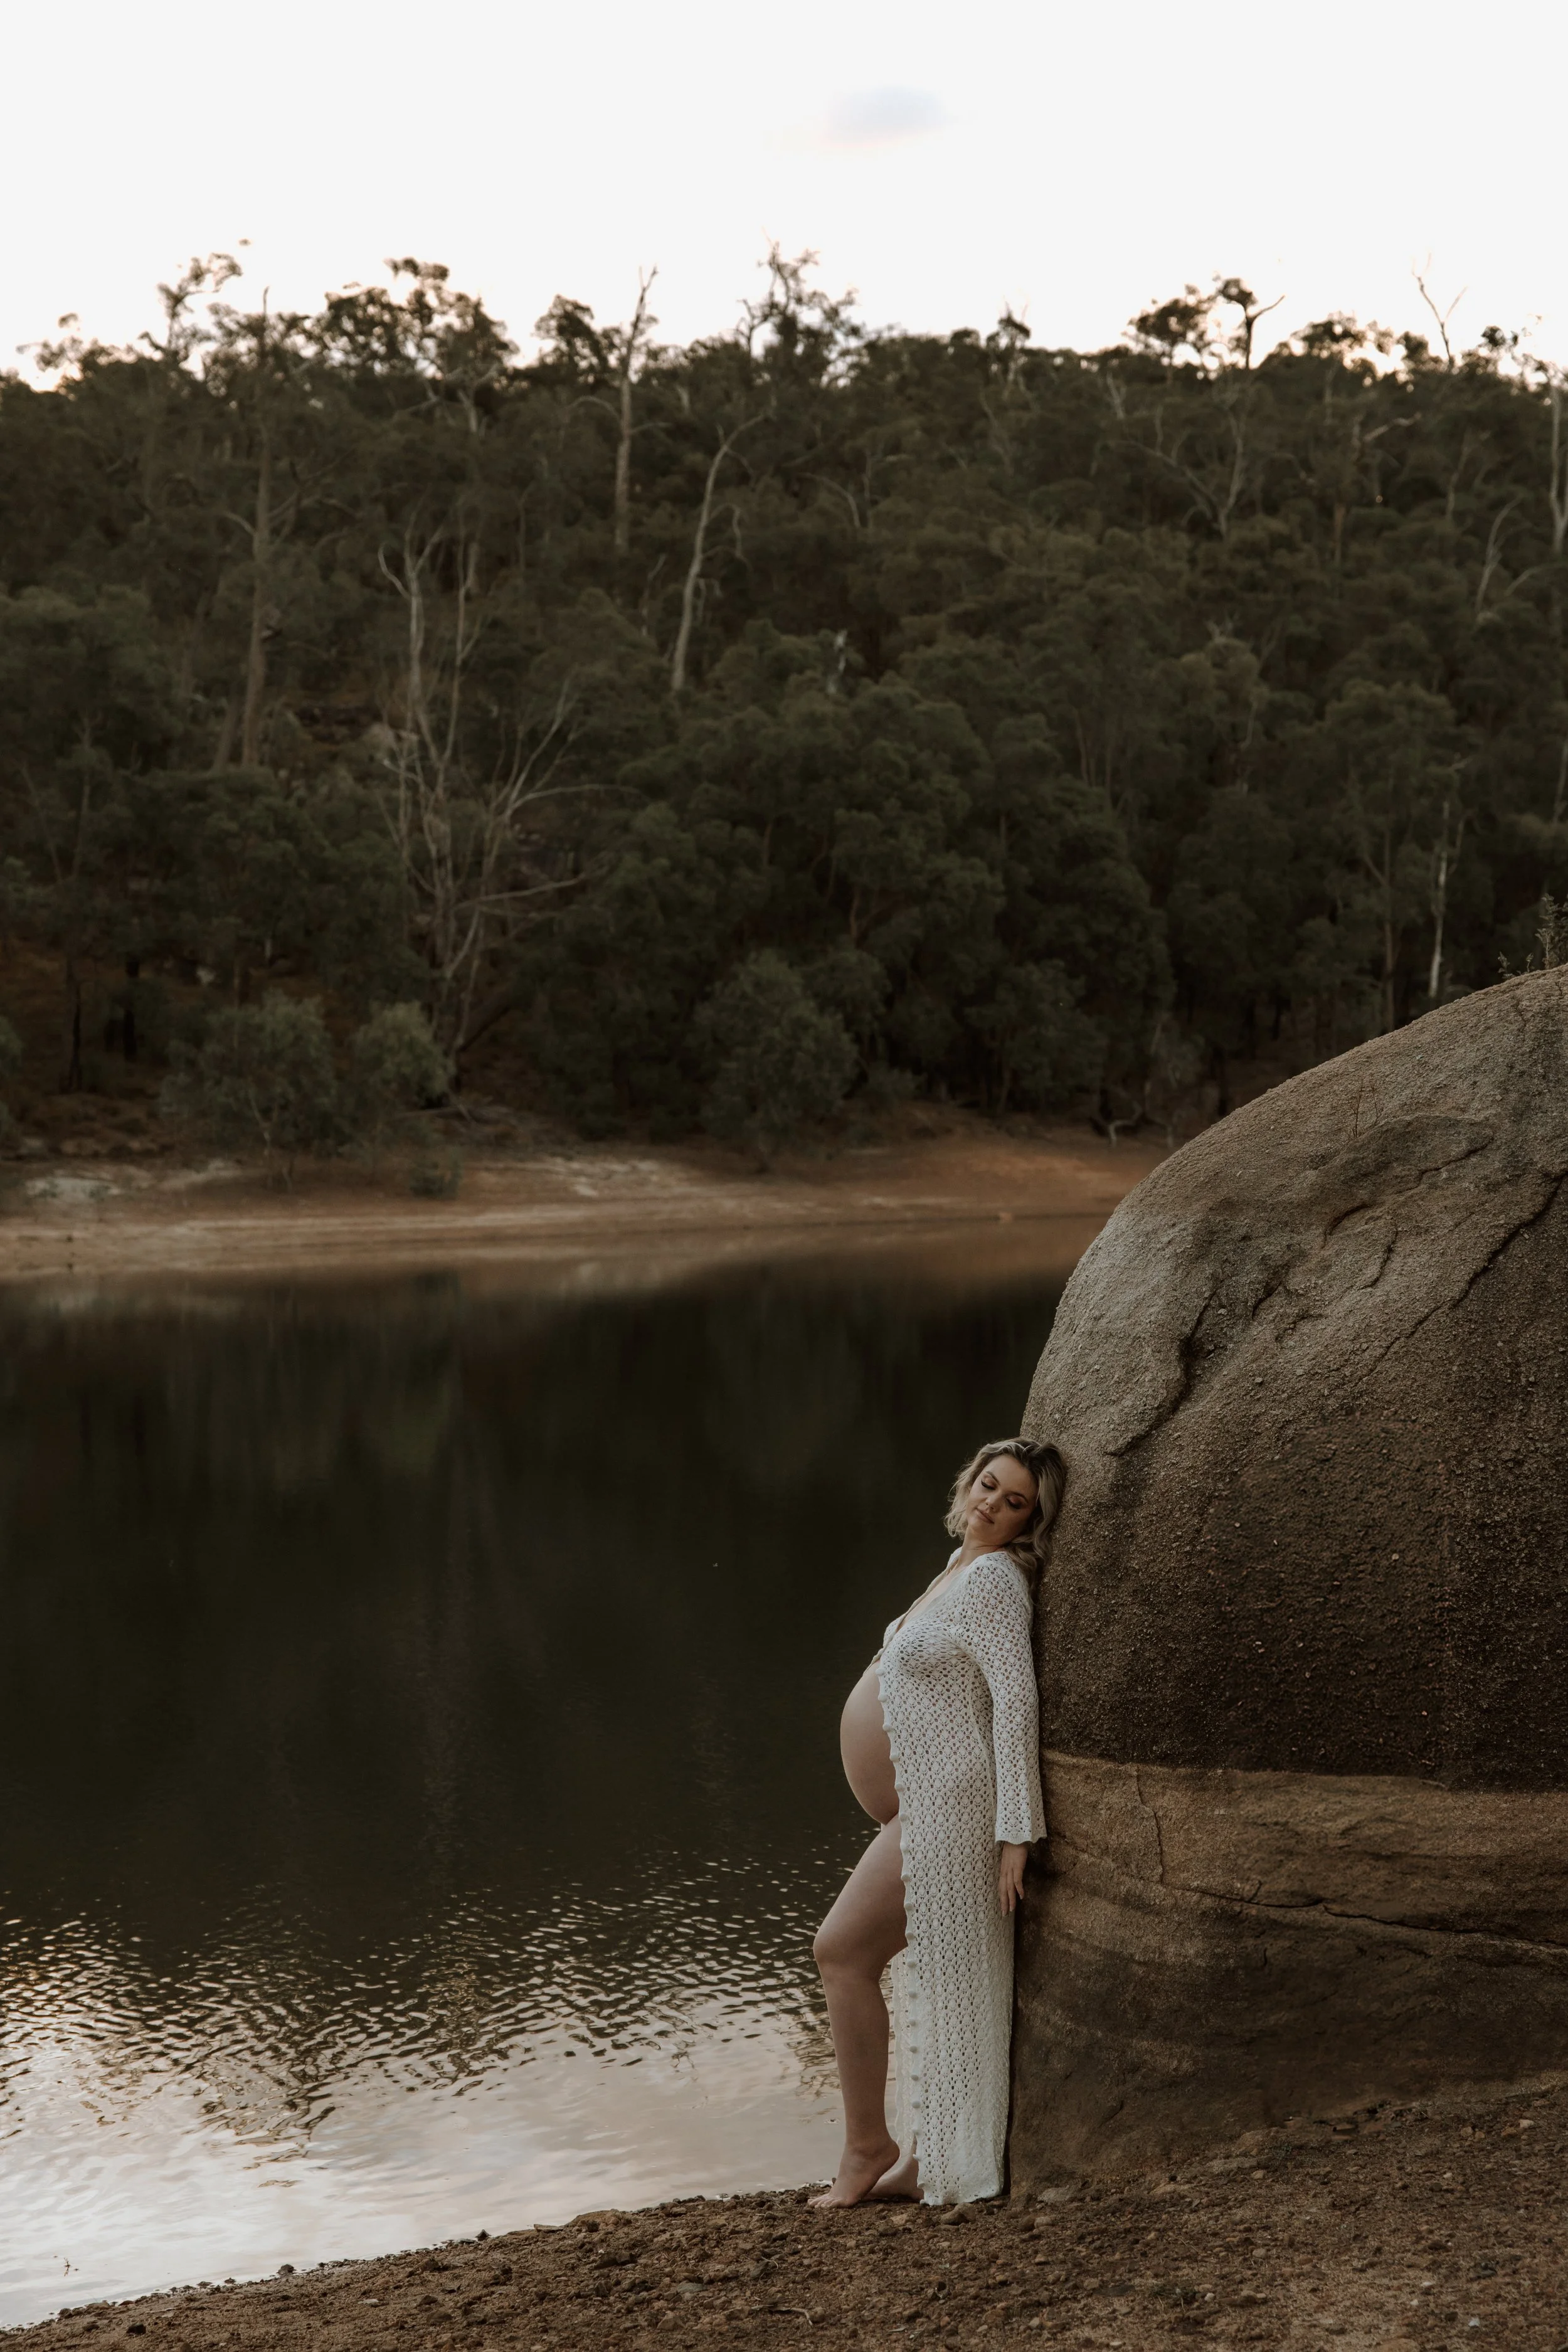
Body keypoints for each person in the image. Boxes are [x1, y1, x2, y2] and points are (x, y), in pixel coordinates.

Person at [810, 1436, 1064, 2208]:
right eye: (989, 1485)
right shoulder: (954, 1569)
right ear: (969, 1482)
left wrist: (1016, 1834)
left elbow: (1016, 1703)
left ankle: (865, 2148)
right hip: (922, 1800)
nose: (992, 1503)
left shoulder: (993, 1580)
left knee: (841, 1951)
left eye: (1013, 1500)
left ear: (1029, 1521)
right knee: (927, 1974)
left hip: (950, 1804)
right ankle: (923, 2156)